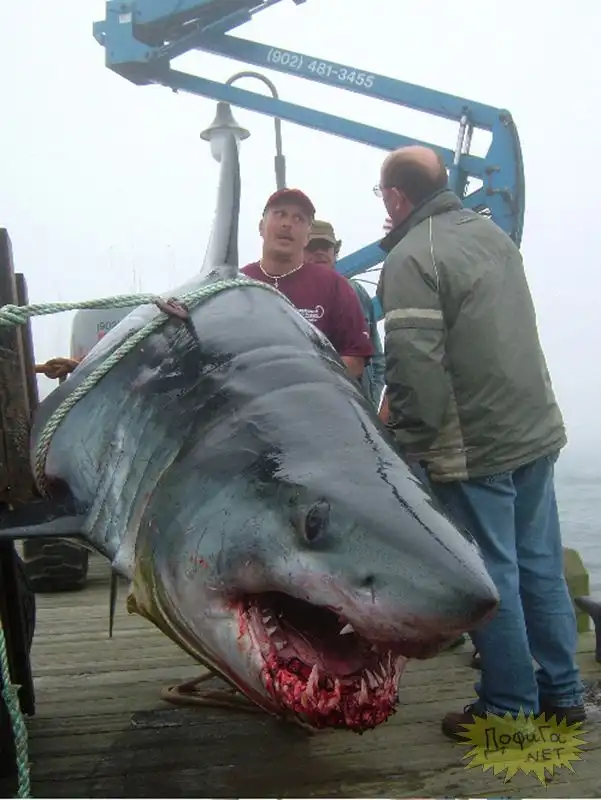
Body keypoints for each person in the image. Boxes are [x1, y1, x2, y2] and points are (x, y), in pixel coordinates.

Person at [375, 144, 585, 739]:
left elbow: (415, 368)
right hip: (535, 431)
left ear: (396, 196)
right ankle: (563, 693)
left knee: (490, 578)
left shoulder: (412, 256)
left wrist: (404, 448)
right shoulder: (493, 237)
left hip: (474, 449)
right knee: (539, 564)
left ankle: (509, 708)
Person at [242, 189, 373, 380]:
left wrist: (301, 380)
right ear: (261, 227)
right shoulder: (237, 284)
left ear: (307, 235)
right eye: (280, 214)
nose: (287, 224)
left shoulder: (334, 286)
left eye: (299, 219)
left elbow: (355, 358)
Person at [303, 219, 385, 409]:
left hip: (356, 409)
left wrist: (371, 404)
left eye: (326, 246)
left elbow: (377, 359)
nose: (320, 252)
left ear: (335, 252)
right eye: (312, 247)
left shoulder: (356, 292)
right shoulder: (285, 295)